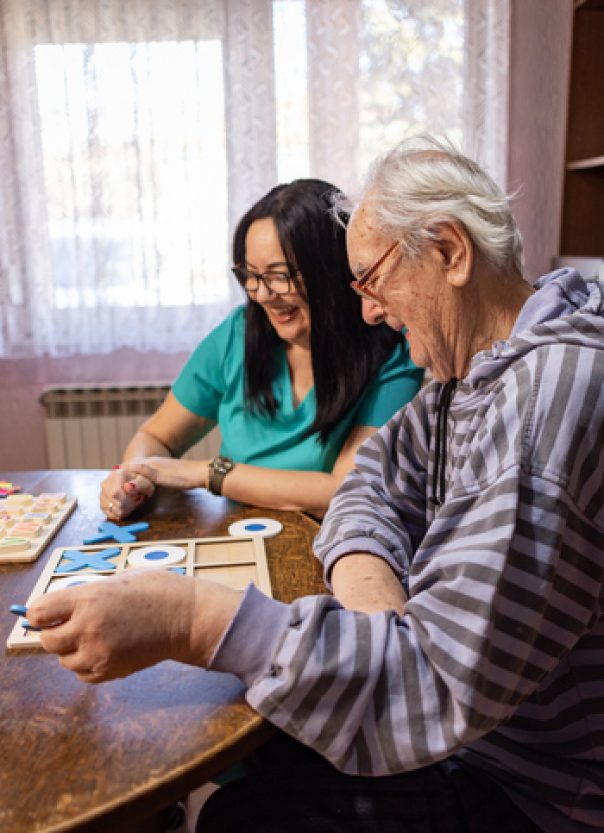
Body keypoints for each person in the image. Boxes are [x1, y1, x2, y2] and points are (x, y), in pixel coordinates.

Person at [28, 136, 604, 833]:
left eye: (371, 279)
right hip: (478, 735)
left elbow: (426, 689)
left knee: (241, 816)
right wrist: (376, 607)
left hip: (535, 790)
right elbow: (368, 484)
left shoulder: (545, 400)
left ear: (450, 252)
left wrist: (187, 619)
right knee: (270, 761)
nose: (367, 310)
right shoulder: (474, 370)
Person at [100, 178, 422, 520]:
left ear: (330, 270)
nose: (262, 294)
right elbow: (156, 436)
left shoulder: (392, 356)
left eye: (279, 275)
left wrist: (210, 473)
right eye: (251, 275)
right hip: (234, 535)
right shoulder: (237, 334)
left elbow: (343, 489)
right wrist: (134, 476)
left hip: (326, 545)